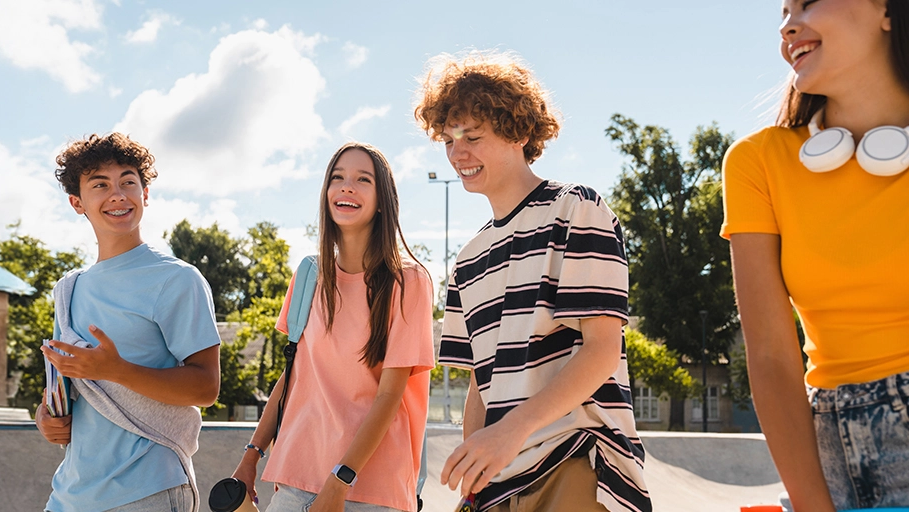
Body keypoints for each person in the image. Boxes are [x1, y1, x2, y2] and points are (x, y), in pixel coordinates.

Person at [414, 51, 651, 512]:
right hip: (502, 482)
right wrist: (476, 476)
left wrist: (511, 431)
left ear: (520, 133)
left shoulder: (576, 209)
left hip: (576, 457)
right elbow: (481, 388)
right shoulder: (468, 258)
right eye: (448, 140)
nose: (458, 152)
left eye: (473, 136)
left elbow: (602, 349)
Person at [722, 1, 909, 510]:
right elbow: (770, 357)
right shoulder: (757, 164)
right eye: (783, 11)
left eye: (810, 2)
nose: (787, 24)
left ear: (887, 11)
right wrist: (811, 502)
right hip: (836, 444)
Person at [230, 142, 435, 512]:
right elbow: (292, 377)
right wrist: (251, 456)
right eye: (337, 178)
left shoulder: (408, 282)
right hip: (295, 480)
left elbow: (389, 396)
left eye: (362, 179)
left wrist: (341, 479)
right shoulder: (310, 276)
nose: (346, 187)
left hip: (371, 488)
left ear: (382, 198)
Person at [35, 133, 222, 512]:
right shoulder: (69, 289)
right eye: (100, 184)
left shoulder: (177, 279)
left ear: (145, 193)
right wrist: (45, 414)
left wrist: (118, 370)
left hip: (148, 488)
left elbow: (205, 387)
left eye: (128, 182)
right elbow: (68, 382)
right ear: (77, 203)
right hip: (69, 495)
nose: (118, 194)